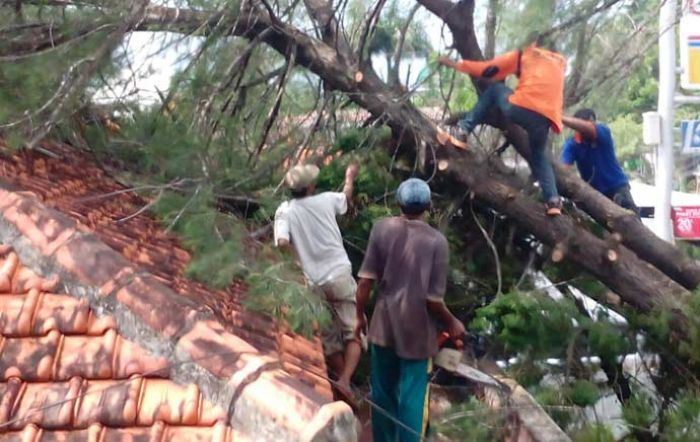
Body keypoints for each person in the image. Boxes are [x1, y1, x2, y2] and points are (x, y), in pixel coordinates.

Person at [355, 178, 465, 442]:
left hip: (383, 327)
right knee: (412, 399)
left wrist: (359, 316)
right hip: (417, 333)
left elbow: (364, 282)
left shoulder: (381, 229)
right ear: (428, 205)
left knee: (382, 394)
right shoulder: (437, 242)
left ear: (398, 202)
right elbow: (433, 301)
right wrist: (452, 323)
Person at [438, 35, 567, 216]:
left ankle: (462, 130)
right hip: (545, 119)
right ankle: (553, 201)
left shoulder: (526, 54)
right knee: (539, 156)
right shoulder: (560, 64)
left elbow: (488, 70)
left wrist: (454, 64)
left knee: (495, 90)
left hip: (521, 107)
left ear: (532, 43)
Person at [273, 162, 362, 401]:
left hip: (314, 282)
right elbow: (346, 197)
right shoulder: (325, 200)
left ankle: (343, 390)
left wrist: (298, 262)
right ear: (310, 186)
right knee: (353, 331)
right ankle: (345, 381)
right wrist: (349, 176)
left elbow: (281, 242)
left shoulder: (284, 211)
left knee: (330, 339)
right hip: (339, 274)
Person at [560, 108, 639, 214]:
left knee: (630, 223)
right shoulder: (572, 144)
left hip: (617, 188)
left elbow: (589, 128)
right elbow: (565, 169)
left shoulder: (603, 131)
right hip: (594, 194)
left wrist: (560, 118)